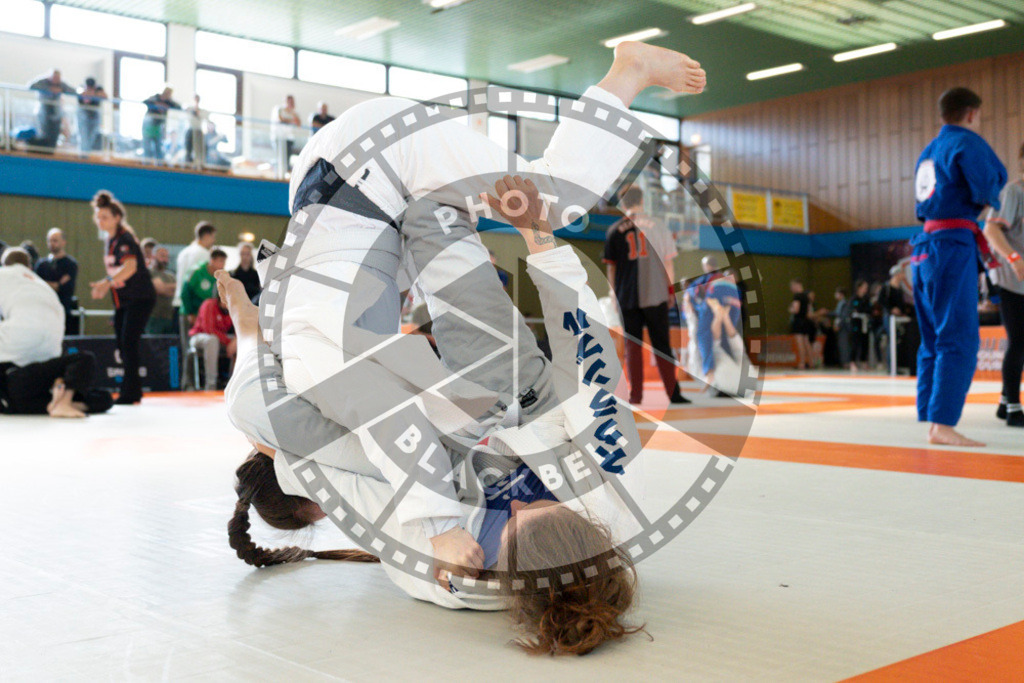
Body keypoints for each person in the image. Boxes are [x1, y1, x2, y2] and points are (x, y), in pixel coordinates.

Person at [224, 42, 705, 653]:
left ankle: (279, 403)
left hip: (366, 181)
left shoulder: (459, 572)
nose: (525, 503)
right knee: (547, 208)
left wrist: (439, 531)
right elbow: (589, 352)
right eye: (545, 506)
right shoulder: (600, 473)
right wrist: (542, 243)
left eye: (517, 519)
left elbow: (365, 481)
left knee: (293, 410)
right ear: (588, 524)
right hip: (379, 186)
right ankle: (626, 72)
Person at [912, 87, 1007, 446]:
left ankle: (932, 417)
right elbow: (988, 185)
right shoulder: (966, 142)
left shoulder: (929, 150)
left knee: (933, 339)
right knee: (960, 337)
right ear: (971, 113)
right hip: (952, 246)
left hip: (923, 248)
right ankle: (943, 425)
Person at [0, 247, 111, 418]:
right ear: (30, 267)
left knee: (104, 397)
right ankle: (64, 402)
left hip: (15, 393)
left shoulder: (3, 275)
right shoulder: (43, 285)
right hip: (35, 369)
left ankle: (62, 401)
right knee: (100, 392)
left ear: (4, 264)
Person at [604, 186, 689, 405]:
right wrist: (670, 290)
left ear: (623, 204)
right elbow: (668, 263)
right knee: (662, 345)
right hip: (656, 293)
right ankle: (674, 394)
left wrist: (614, 295)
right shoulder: (659, 227)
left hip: (627, 295)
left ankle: (636, 395)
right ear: (643, 200)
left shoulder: (614, 230)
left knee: (632, 347)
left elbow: (611, 268)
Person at [88, 191, 156, 404]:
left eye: (105, 217)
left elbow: (130, 267)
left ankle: (131, 391)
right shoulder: (110, 240)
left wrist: (105, 283)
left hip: (140, 297)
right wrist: (105, 285)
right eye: (98, 217)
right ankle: (131, 389)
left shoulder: (124, 238)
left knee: (128, 342)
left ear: (117, 217)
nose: (100, 221)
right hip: (124, 301)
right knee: (123, 343)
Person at [983, 141, 1024, 428]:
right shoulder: (1014, 191)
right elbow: (990, 228)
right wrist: (1013, 257)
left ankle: (1002, 401)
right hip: (1013, 281)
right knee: (1019, 342)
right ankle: (1013, 407)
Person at [35, 228, 80, 335]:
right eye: (49, 240)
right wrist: (55, 284)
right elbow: (36, 286)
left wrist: (45, 284)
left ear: (63, 242)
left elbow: (64, 287)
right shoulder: (41, 265)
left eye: (55, 240)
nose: (51, 244)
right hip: (44, 310)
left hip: (63, 310)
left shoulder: (70, 264)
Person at [189, 295, 235, 391]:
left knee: (240, 343)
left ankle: (233, 383)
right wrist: (229, 342)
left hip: (221, 340)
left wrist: (235, 341)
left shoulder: (233, 308)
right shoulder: (209, 304)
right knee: (212, 340)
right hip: (199, 336)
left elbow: (241, 330)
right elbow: (208, 329)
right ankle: (211, 385)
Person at [173, 221, 217, 318]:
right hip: (194, 307)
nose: (214, 241)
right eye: (213, 237)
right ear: (206, 235)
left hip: (178, 302)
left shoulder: (183, 252)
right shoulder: (205, 255)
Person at [26, 69, 75, 150]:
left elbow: (72, 91)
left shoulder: (61, 84)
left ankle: (51, 149)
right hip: (44, 111)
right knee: (44, 132)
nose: (56, 80)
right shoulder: (43, 82)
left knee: (54, 133)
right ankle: (42, 149)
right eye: (54, 78)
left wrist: (61, 90)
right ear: (50, 77)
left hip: (56, 112)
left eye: (58, 78)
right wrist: (48, 89)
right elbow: (30, 86)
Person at [181, 249, 227, 326]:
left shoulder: (219, 277)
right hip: (191, 314)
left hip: (207, 316)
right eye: (221, 261)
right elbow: (185, 293)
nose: (223, 265)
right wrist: (189, 313)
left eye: (224, 262)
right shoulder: (197, 272)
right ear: (212, 260)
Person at [142, 86, 181, 162]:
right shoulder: (155, 98)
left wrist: (168, 103)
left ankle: (159, 164)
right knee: (147, 147)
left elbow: (178, 107)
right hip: (149, 125)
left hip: (159, 127)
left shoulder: (169, 102)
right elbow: (145, 101)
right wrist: (156, 104)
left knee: (158, 147)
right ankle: (146, 163)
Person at [146, 247, 177, 335]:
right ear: (153, 256)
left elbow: (177, 291)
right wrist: (172, 287)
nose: (165, 259)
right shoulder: (149, 272)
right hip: (154, 317)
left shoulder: (171, 276)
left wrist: (167, 287)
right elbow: (160, 289)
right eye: (162, 256)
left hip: (169, 318)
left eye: (167, 257)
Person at [272, 95, 302, 172]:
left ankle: (285, 172)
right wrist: (291, 121)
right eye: (289, 101)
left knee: (287, 158)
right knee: (280, 157)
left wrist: (292, 114)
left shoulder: (294, 113)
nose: (290, 103)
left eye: (292, 102)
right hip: (279, 137)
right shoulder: (279, 109)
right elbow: (281, 120)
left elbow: (298, 124)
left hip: (289, 138)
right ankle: (278, 173)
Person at [788, 278, 813, 369]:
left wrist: (790, 309)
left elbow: (796, 309)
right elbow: (809, 311)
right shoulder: (806, 296)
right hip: (805, 321)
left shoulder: (797, 296)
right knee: (807, 343)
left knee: (800, 343)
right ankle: (811, 362)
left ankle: (802, 363)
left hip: (798, 321)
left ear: (796, 285)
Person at [76, 77, 106, 154]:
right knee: (84, 136)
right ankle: (83, 155)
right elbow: (80, 93)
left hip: (94, 115)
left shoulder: (98, 89)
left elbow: (104, 96)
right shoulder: (81, 87)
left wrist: (94, 93)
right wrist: (89, 93)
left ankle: (87, 154)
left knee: (92, 137)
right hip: (83, 114)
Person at [183, 94, 206, 165]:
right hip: (190, 129)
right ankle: (188, 162)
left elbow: (199, 115)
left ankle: (199, 163)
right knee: (188, 148)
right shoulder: (189, 108)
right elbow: (185, 110)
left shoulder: (202, 110)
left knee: (199, 149)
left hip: (198, 130)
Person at [833, 287, 852, 368]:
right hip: (841, 327)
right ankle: (844, 362)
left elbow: (843, 316)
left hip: (843, 327)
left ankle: (846, 362)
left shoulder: (844, 303)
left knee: (844, 344)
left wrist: (839, 325)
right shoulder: (840, 303)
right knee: (841, 345)